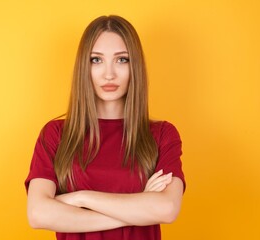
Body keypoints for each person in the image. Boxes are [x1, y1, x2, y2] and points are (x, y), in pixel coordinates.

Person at [24, 15, 185, 240]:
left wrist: (81, 198)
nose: (109, 74)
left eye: (122, 60)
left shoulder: (162, 135)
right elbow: (38, 213)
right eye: (96, 60)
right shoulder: (56, 135)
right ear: (84, 66)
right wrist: (138, 209)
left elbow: (167, 208)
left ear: (135, 66)